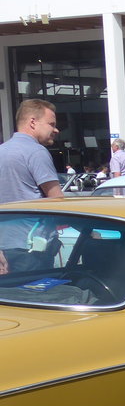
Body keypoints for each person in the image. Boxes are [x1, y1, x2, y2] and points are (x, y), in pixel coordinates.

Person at [0, 99, 63, 275]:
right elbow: (57, 200)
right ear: (33, 122)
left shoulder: (2, 151)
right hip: (32, 247)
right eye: (51, 124)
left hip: (4, 246)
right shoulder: (37, 152)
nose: (56, 130)